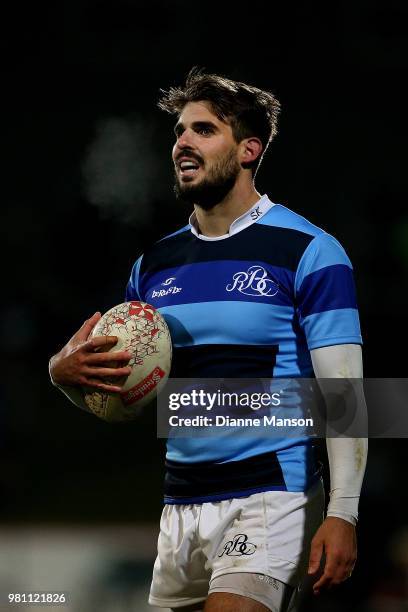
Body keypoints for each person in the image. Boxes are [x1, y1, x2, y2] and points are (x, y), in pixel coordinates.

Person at [49, 69, 368, 612]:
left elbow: (346, 391)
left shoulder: (310, 250)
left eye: (203, 130)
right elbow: (131, 393)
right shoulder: (152, 267)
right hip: (181, 503)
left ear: (248, 150)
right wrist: (65, 374)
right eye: (179, 132)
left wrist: (343, 512)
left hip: (272, 494)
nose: (182, 143)